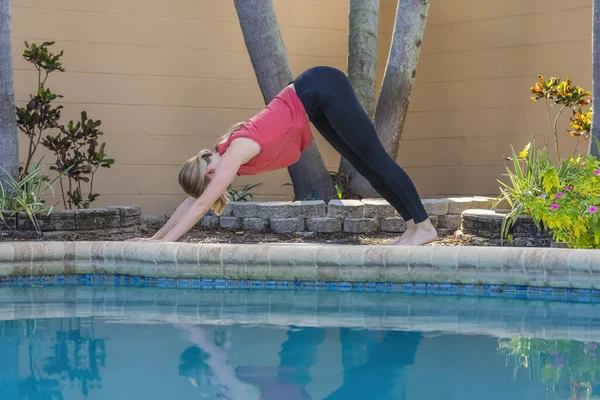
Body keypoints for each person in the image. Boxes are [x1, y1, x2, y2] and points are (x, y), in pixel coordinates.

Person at [131, 66, 437, 246]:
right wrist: (155, 241)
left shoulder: (233, 153)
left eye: (208, 183)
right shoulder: (223, 155)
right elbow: (192, 201)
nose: (212, 188)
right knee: (365, 166)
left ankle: (423, 226)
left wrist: (167, 245)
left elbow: (200, 203)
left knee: (376, 159)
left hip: (321, 87)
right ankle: (412, 227)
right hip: (313, 101)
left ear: (209, 174)